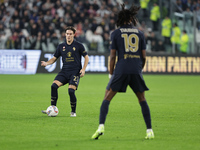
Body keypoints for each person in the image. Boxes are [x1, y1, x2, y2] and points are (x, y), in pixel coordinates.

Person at [91, 3, 154, 140]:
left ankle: (101, 126)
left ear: (120, 19)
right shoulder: (140, 34)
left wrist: (111, 73)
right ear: (131, 19)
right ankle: (149, 130)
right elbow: (144, 57)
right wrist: (139, 69)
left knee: (107, 97)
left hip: (121, 69)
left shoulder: (116, 33)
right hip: (136, 69)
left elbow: (113, 56)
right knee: (142, 99)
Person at [41, 26, 89, 117]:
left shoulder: (79, 46)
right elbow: (54, 58)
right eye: (67, 34)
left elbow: (86, 57)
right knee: (53, 86)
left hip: (75, 73)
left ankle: (73, 112)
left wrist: (83, 69)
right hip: (64, 72)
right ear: (65, 35)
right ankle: (52, 108)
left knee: (71, 91)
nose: (69, 36)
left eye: (70, 34)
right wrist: (46, 63)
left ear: (74, 35)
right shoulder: (61, 46)